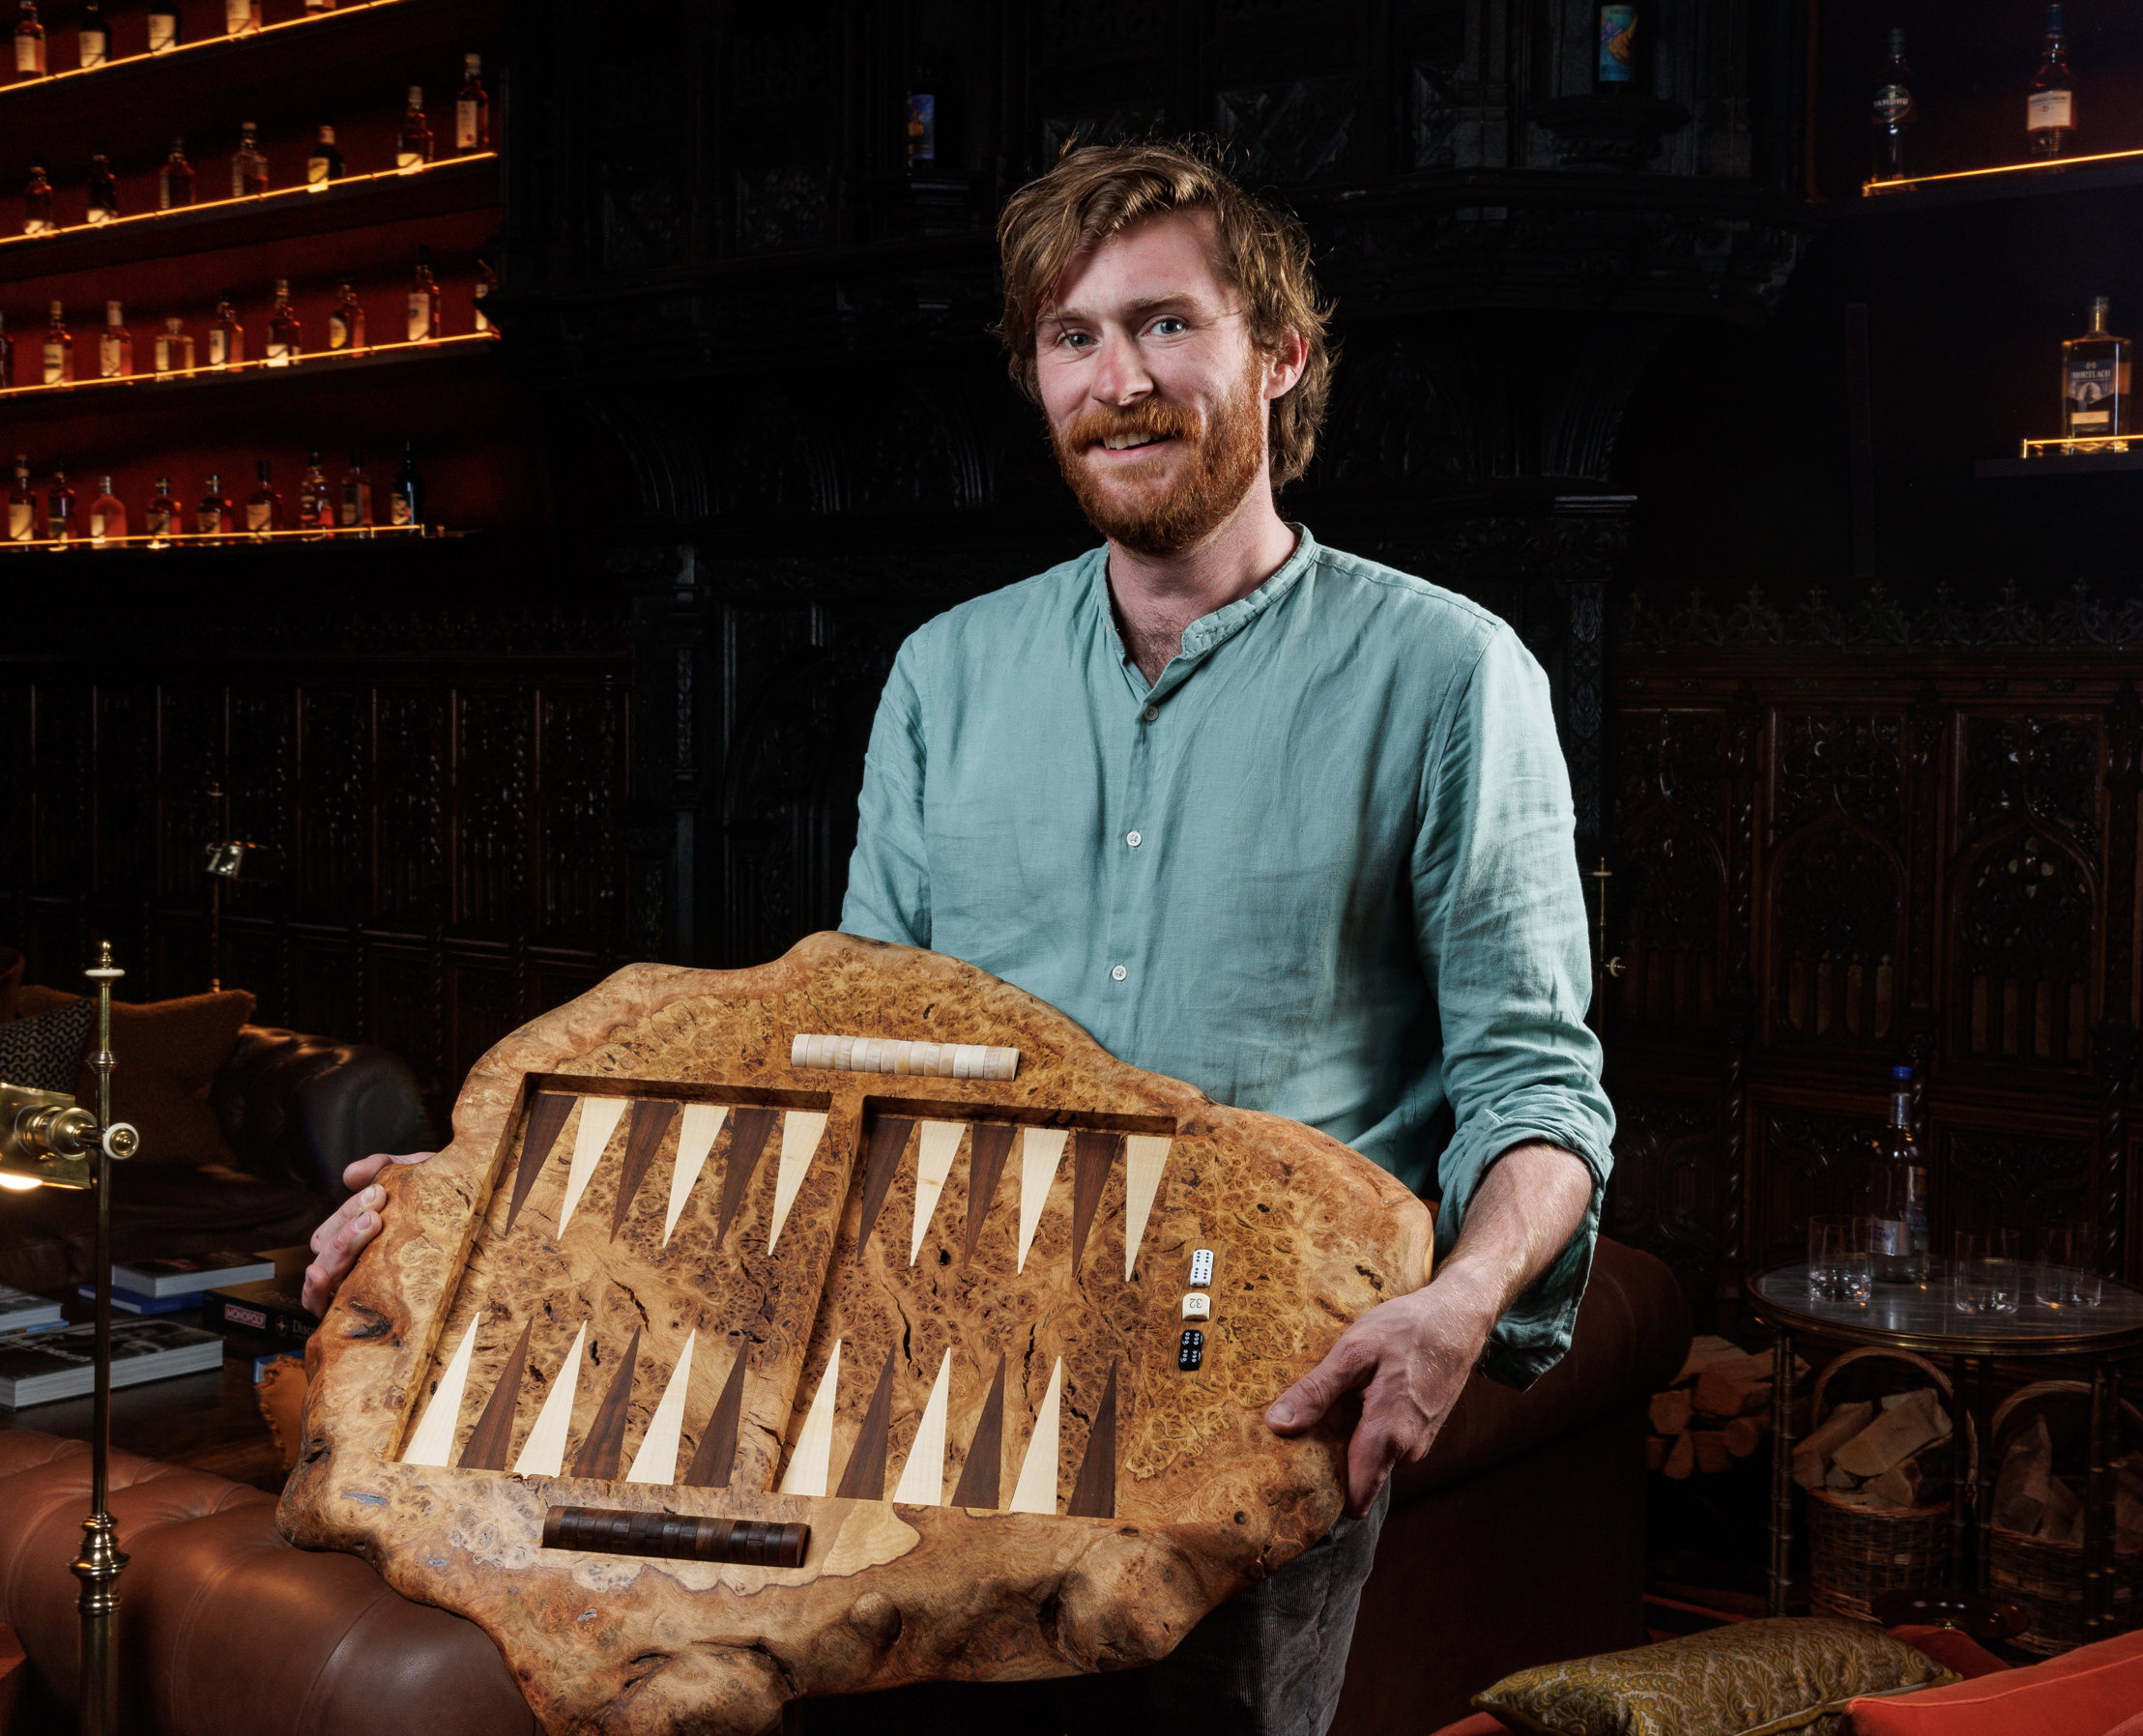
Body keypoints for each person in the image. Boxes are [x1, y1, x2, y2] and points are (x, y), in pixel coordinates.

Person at [303, 140, 1612, 1736]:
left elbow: (1536, 1088)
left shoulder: (1451, 676)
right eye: (1073, 339)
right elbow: (837, 1074)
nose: (1117, 381)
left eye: (1165, 326)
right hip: (927, 1387)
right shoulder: (946, 672)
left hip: (1246, 1392)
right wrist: (475, 1216)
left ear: (1279, 355)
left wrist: (1460, 1300)